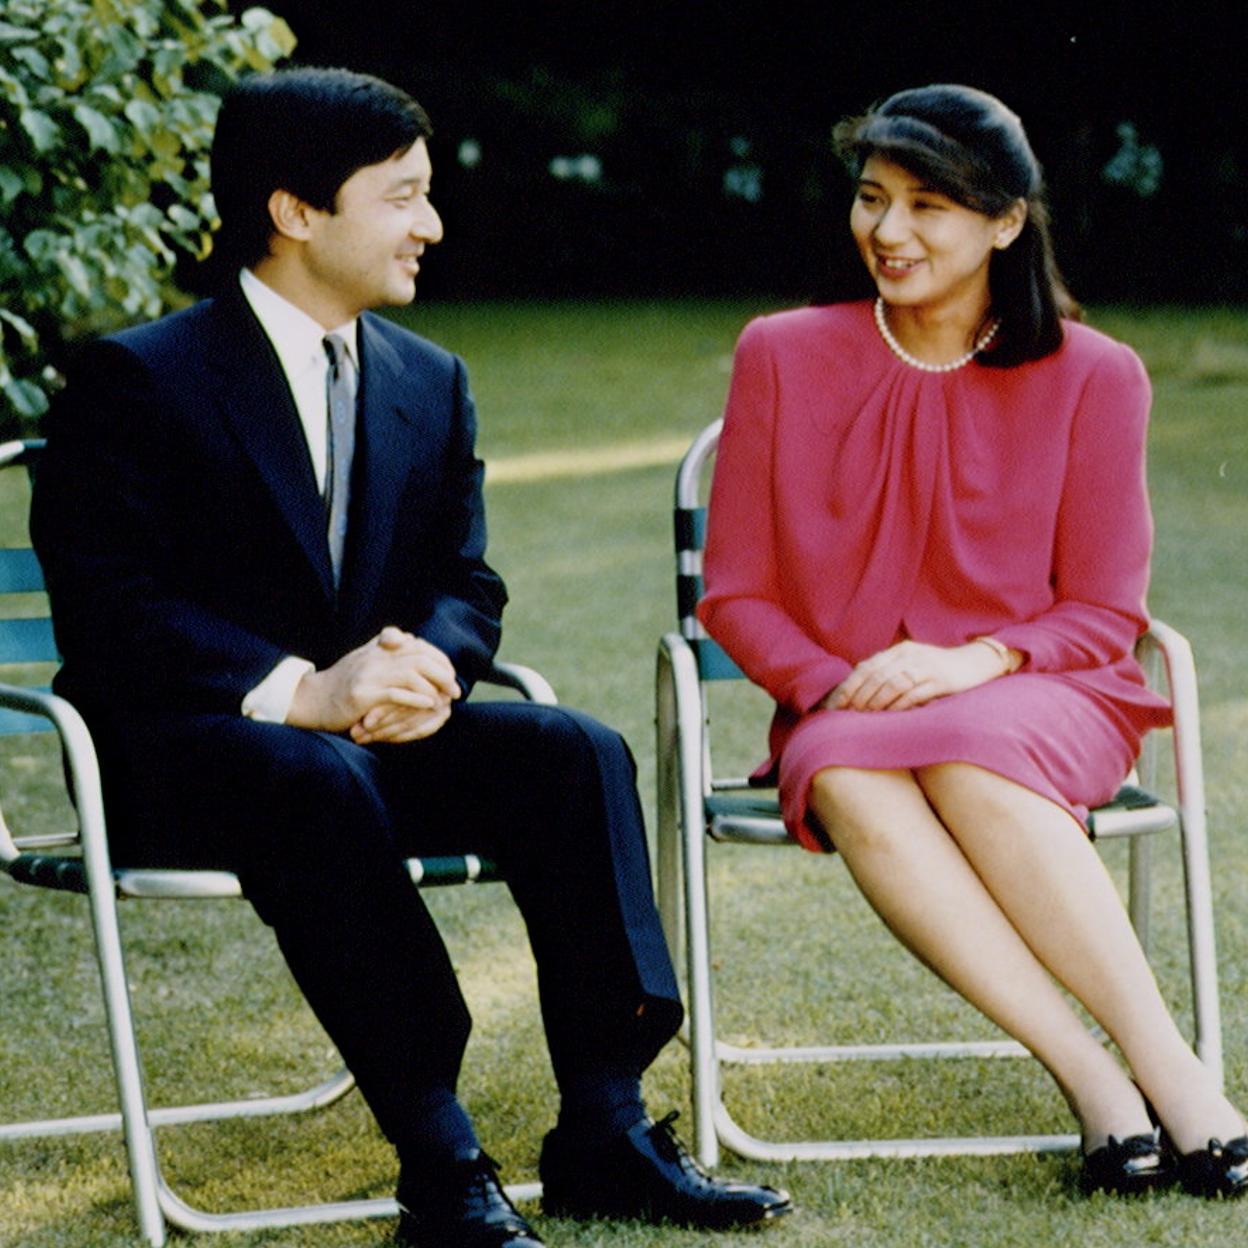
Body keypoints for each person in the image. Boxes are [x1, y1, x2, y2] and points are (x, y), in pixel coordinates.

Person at [31, 66, 791, 1247]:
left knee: (571, 753)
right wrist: (305, 693)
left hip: (374, 746)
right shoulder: (137, 379)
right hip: (182, 756)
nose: (431, 224)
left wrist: (428, 664)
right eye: (401, 196)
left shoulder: (429, 381)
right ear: (293, 213)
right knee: (311, 774)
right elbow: (113, 609)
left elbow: (466, 582)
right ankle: (442, 1166)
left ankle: (605, 1127)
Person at [698, 83, 1247, 1199]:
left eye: (928, 207)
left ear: (1006, 221)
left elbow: (1103, 612)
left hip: (1045, 695)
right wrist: (831, 685)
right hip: (847, 709)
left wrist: (975, 660)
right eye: (871, 200)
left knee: (966, 749)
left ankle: (1178, 1081)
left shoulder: (1099, 376)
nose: (888, 233)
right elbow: (736, 594)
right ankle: (1097, 1087)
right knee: (847, 771)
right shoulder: (782, 353)